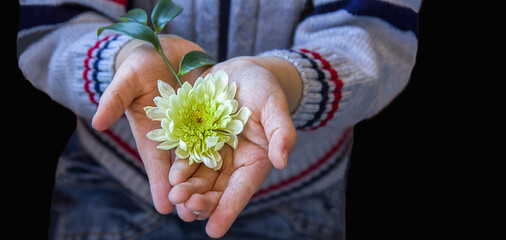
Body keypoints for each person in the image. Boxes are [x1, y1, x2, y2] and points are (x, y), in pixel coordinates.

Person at [17, 0, 420, 238]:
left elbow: (375, 32)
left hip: (297, 193)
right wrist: (122, 60)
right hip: (112, 182)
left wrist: (282, 79)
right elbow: (55, 23)